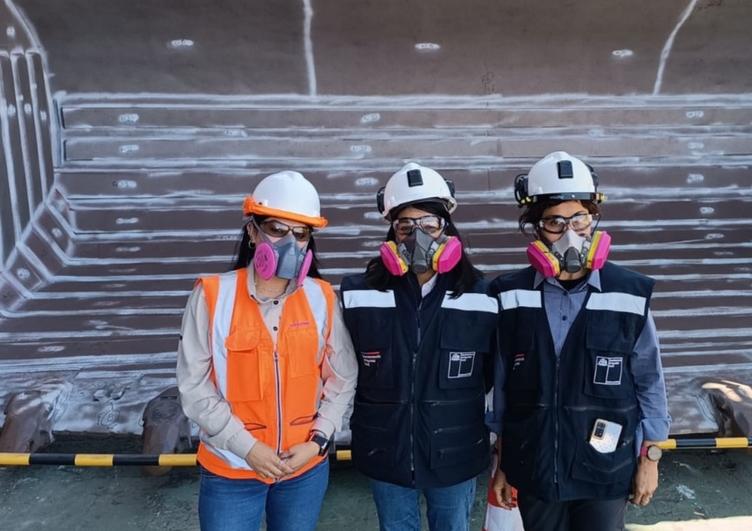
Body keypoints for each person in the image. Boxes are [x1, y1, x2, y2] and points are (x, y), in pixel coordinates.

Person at [488, 152, 671, 531]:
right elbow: (504, 387)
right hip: (535, 464)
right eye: (554, 221)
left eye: (580, 219)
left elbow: (649, 380)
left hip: (605, 466)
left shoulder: (628, 292)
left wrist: (650, 458)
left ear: (593, 219)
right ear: (536, 227)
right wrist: (504, 463)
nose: (569, 232)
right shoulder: (510, 293)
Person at [177, 170, 358, 531]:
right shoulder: (212, 296)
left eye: (301, 234)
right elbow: (194, 386)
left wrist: (319, 441)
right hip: (232, 470)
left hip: (303, 470)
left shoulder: (321, 297)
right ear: (252, 231)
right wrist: (247, 448)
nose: (289, 243)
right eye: (276, 229)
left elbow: (343, 376)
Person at [340, 162, 498, 531]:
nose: (418, 235)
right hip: (386, 451)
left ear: (447, 227)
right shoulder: (358, 293)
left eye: (430, 224)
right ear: (392, 231)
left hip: (455, 452)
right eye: (406, 226)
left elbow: (489, 373)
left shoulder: (483, 295)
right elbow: (348, 367)